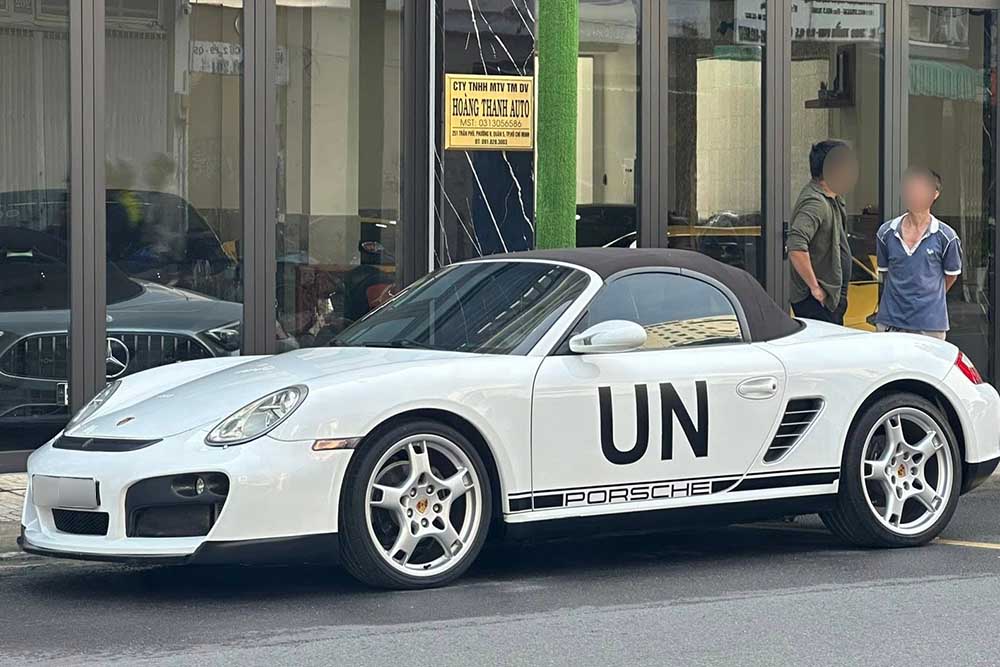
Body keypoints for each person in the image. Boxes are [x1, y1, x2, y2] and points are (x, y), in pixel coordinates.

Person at [874, 167, 961, 340]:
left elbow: (951, 276)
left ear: (935, 194)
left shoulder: (947, 237)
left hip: (930, 324)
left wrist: (930, 298)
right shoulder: (886, 232)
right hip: (891, 322)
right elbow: (885, 272)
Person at [787, 140, 859, 325]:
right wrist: (815, 288)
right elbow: (795, 246)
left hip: (828, 297)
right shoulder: (815, 202)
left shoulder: (832, 198)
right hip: (816, 301)